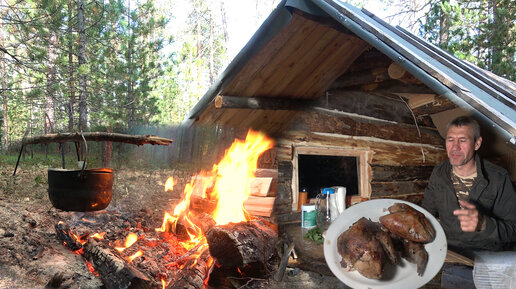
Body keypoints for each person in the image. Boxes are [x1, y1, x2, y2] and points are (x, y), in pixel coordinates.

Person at [421, 115, 516, 258]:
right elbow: (426, 213)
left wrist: (484, 224)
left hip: (485, 254)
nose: (455, 147)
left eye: (463, 140)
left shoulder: (498, 177)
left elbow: (513, 229)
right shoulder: (439, 173)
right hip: (448, 251)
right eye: (450, 139)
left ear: (477, 144)